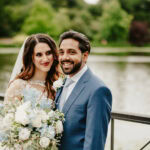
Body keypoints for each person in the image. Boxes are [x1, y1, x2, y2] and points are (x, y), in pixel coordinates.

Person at [55, 30, 112, 150]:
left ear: (85, 56)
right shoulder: (62, 83)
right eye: (61, 52)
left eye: (71, 52)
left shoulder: (98, 90)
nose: (65, 57)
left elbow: (94, 144)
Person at [4, 33, 59, 109]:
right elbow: (8, 117)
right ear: (31, 58)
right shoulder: (18, 86)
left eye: (48, 53)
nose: (45, 59)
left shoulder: (57, 86)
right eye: (39, 55)